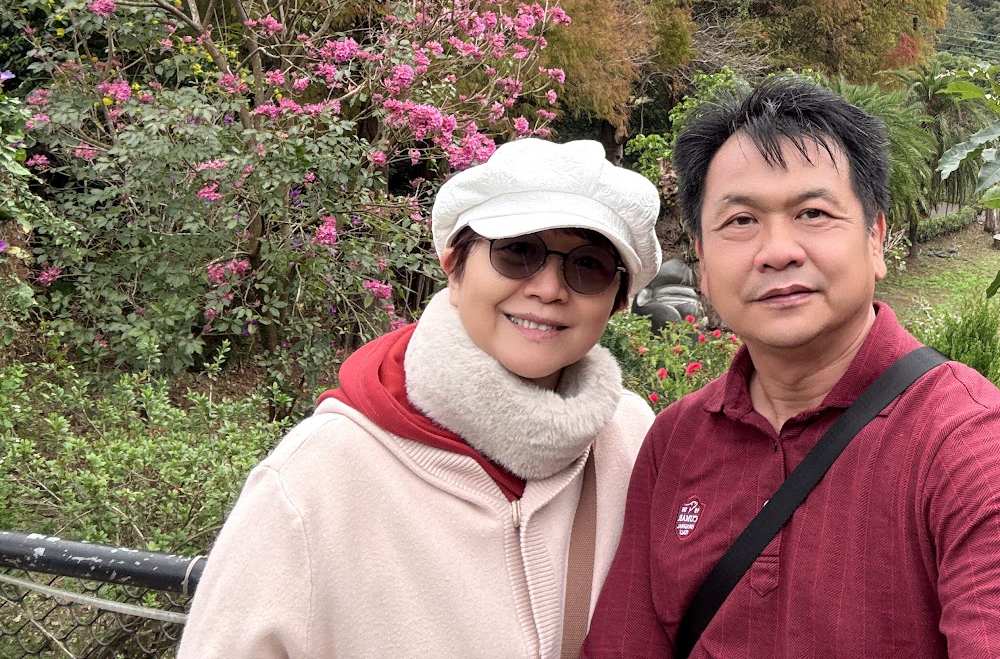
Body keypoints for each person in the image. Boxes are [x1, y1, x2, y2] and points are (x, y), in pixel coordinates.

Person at [583, 78, 1000, 659]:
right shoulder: (675, 441)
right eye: (740, 221)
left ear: (876, 239)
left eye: (813, 213)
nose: (777, 251)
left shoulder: (966, 444)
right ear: (700, 257)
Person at [179, 138, 661, 659]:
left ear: (617, 302)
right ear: (453, 266)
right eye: (519, 252)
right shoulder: (316, 477)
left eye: (588, 266)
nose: (548, 289)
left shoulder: (632, 442)